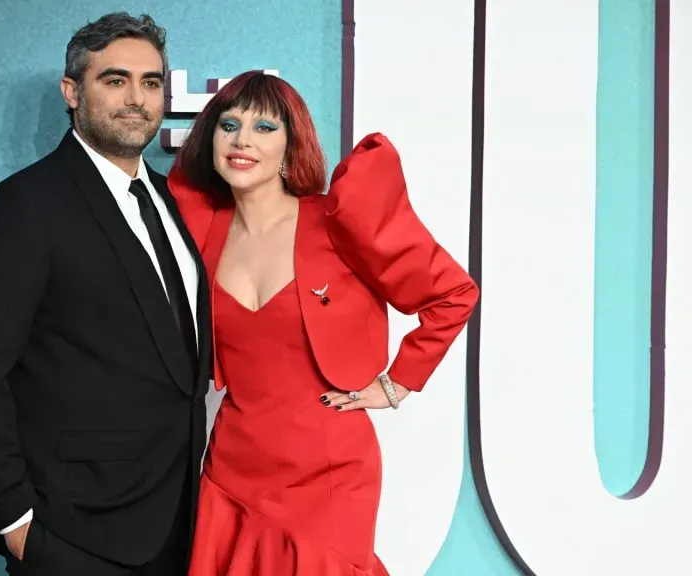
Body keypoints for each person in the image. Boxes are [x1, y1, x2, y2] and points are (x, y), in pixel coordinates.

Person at [166, 71, 479, 575]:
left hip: (328, 473)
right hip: (233, 467)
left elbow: (452, 294)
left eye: (264, 127)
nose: (243, 139)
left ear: (292, 146)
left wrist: (397, 383)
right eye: (229, 124)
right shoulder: (201, 229)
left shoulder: (337, 221)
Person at [0, 12, 211, 576]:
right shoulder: (22, 207)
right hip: (73, 533)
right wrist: (13, 521)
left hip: (181, 520)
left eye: (151, 82)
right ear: (72, 92)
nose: (136, 98)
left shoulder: (169, 200)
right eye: (115, 81)